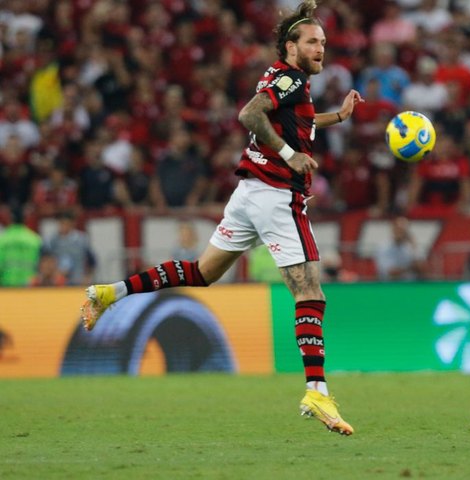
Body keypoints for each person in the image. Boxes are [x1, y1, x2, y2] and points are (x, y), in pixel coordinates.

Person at [80, 0, 363, 436]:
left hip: (248, 192)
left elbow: (292, 121)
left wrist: (336, 117)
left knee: (203, 271)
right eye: (312, 42)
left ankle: (108, 293)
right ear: (292, 46)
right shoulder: (290, 79)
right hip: (275, 195)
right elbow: (250, 114)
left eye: (323, 42)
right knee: (310, 292)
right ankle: (317, 390)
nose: (321, 48)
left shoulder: (285, 78)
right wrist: (292, 156)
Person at [0, 206, 42, 287]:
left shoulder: (2, 239)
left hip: (6, 283)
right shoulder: (35, 239)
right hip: (29, 285)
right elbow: (40, 264)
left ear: (10, 219)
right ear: (25, 219)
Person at [375, 216, 426, 281]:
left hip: (410, 286)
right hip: (390, 287)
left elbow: (422, 270)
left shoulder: (412, 247)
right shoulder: (383, 247)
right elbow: (390, 272)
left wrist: (414, 248)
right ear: (393, 229)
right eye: (399, 228)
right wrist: (411, 268)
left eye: (404, 229)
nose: (401, 232)